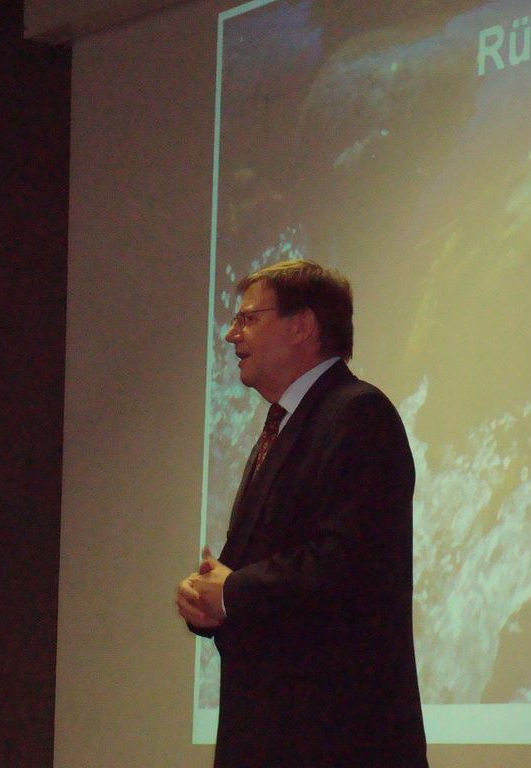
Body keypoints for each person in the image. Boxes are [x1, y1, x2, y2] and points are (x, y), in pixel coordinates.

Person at [176, 259, 428, 768]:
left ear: (303, 326)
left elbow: (347, 562)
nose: (230, 334)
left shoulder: (358, 413)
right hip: (276, 737)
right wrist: (209, 598)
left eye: (248, 318)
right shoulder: (287, 422)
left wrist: (231, 591)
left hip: (338, 741)